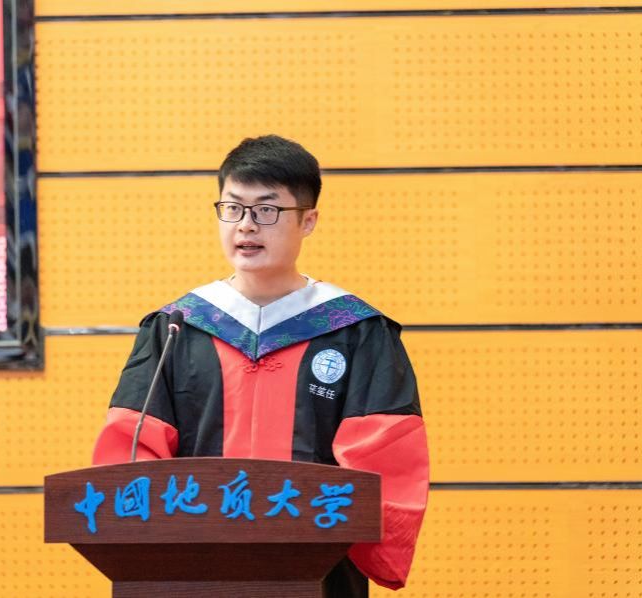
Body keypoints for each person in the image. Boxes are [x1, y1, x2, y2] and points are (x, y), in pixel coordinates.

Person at [92, 135, 429, 596]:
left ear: (308, 221)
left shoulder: (356, 332)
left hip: (319, 574)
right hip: (194, 574)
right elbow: (131, 454)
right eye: (233, 208)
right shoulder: (176, 328)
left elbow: (386, 460)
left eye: (267, 210)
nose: (246, 226)